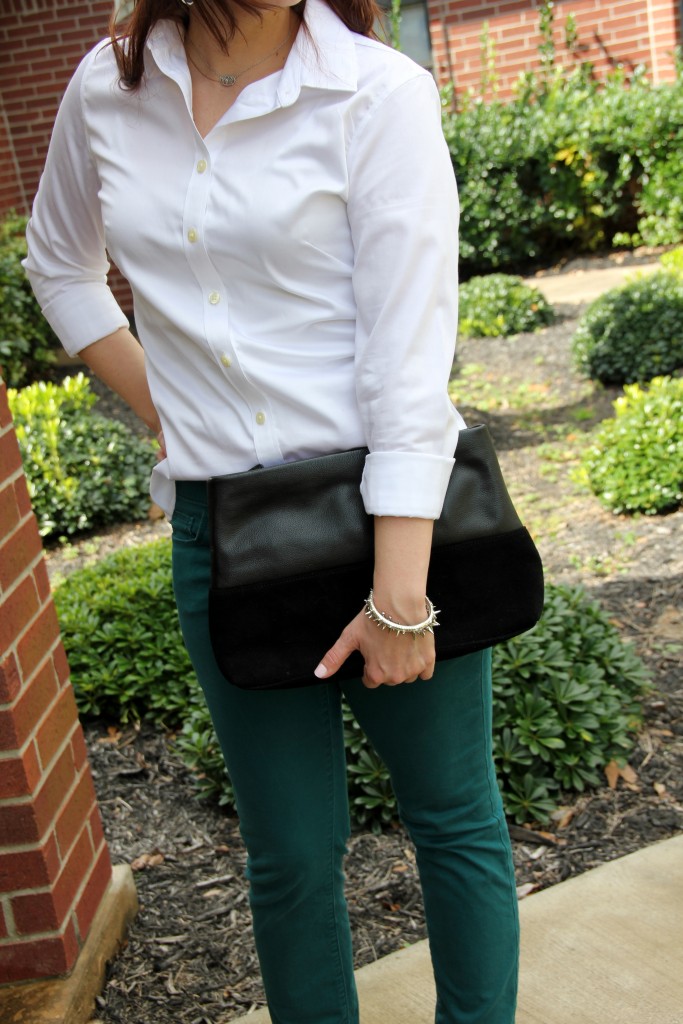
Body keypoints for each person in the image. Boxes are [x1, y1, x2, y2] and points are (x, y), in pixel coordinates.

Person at [24, 1, 519, 1020]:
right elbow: (58, 266)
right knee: (287, 856)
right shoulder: (105, 90)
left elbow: (408, 361)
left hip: (394, 524)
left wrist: (397, 596)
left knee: (451, 817)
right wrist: (173, 404)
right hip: (231, 536)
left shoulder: (377, 95)